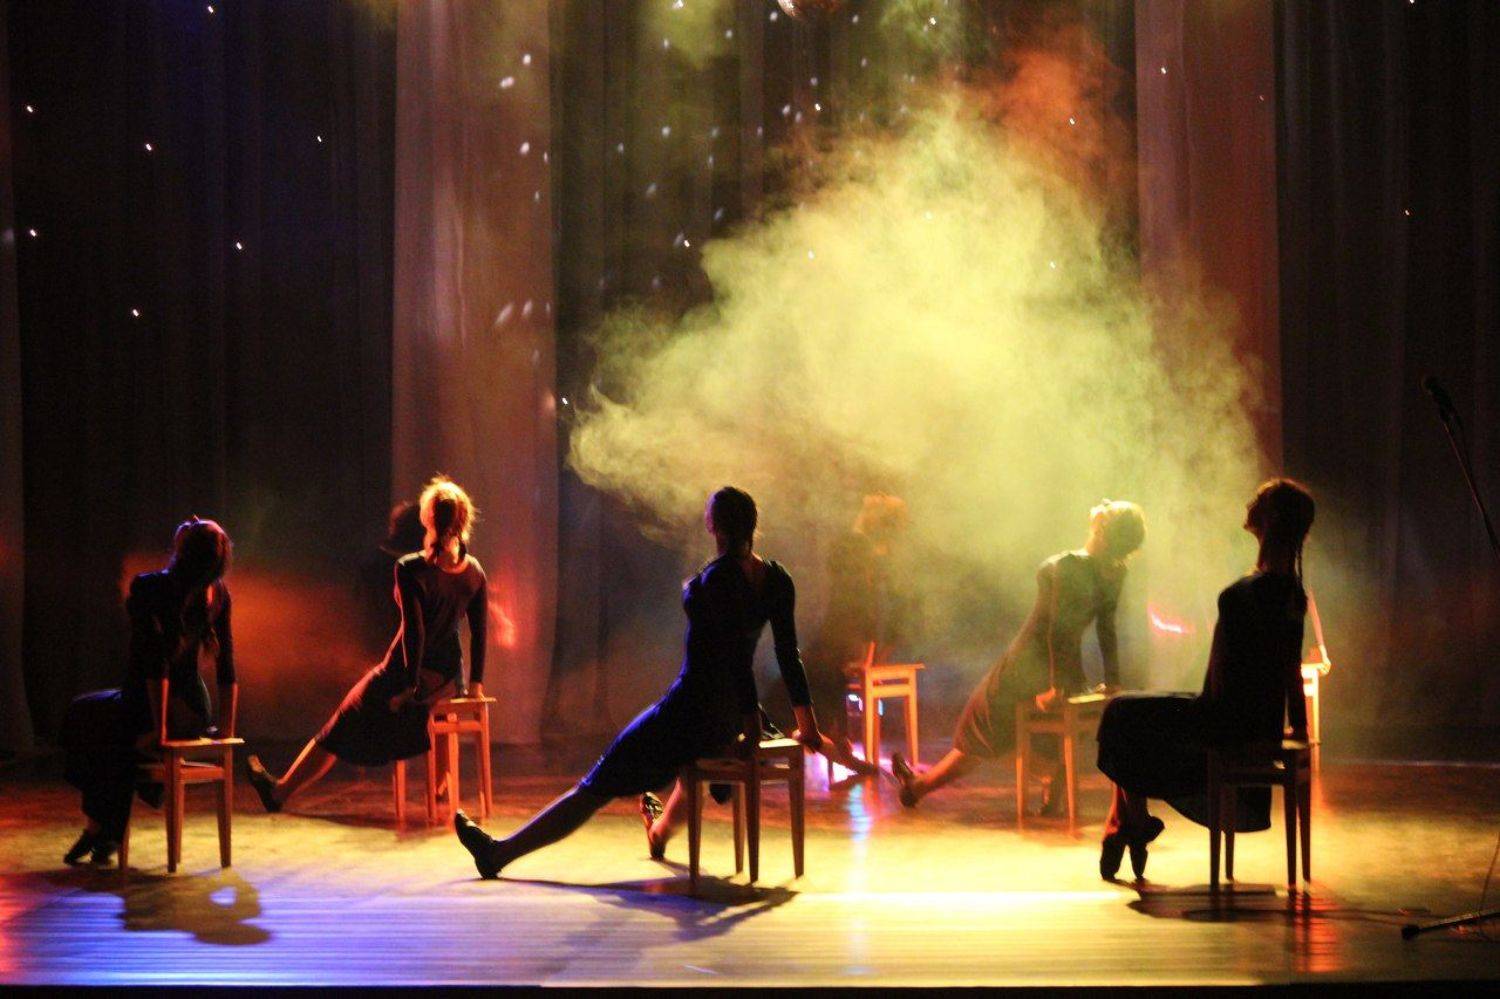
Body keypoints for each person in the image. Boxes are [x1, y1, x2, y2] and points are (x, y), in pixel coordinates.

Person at [454, 486, 823, 879]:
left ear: (713, 525)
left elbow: (734, 659)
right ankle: (658, 833)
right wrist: (807, 725)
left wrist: (751, 727)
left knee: (595, 785)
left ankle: (498, 854)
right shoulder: (776, 579)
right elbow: (788, 655)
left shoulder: (717, 580)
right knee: (688, 772)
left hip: (692, 711)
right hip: (727, 716)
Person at [1093, 479, 1313, 880]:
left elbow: (1282, 668)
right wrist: (1296, 724)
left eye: (1259, 500)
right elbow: (1289, 668)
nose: (1249, 503)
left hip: (1223, 719)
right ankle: (1131, 821)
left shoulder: (1264, 589)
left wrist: (1289, 728)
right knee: (1126, 712)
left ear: (1272, 519)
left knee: (1120, 713)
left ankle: (1130, 821)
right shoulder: (1287, 588)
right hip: (1233, 713)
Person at [245, 477, 487, 811]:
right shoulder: (474, 571)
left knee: (343, 720)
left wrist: (410, 687)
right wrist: (474, 685)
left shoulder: (411, 568)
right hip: (447, 677)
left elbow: (414, 633)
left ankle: (280, 792)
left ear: (428, 518)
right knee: (392, 714)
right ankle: (441, 790)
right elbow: (479, 632)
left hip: (407, 671)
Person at [892, 500, 1145, 811]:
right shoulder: (1115, 571)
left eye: (1108, 508)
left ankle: (920, 787)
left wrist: (1056, 687)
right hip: (1067, 668)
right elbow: (1106, 628)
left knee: (978, 730)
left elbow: (1056, 629)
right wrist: (1112, 680)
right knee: (990, 733)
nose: (1102, 503)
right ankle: (918, 787)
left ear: (1102, 530)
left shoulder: (1067, 565)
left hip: (1028, 664)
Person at [60, 517, 236, 865]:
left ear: (185, 549)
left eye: (198, 525)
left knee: (91, 718)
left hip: (158, 703)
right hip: (193, 710)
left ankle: (101, 828)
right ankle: (102, 830)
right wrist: (226, 726)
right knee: (106, 725)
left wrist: (160, 729)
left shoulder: (150, 587)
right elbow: (226, 667)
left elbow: (157, 666)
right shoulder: (217, 592)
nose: (192, 519)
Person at [796, 493, 909, 779]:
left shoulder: (866, 555)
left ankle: (833, 743)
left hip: (846, 641)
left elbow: (875, 613)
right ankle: (831, 741)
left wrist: (869, 658)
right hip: (839, 636)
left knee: (817, 673)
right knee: (806, 673)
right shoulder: (858, 550)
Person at [355, 499, 427, 660]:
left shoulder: (372, 562)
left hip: (373, 649)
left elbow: (359, 606)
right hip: (404, 652)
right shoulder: (422, 569)